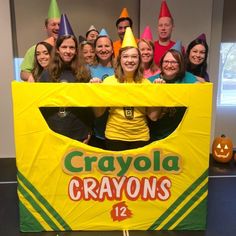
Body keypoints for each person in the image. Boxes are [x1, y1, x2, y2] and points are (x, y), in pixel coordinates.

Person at [92, 27, 159, 151]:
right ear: (120, 60)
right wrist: (96, 91)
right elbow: (99, 113)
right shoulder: (109, 81)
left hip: (140, 137)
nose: (130, 60)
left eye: (134, 57)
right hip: (114, 136)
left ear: (139, 60)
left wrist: (159, 93)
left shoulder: (146, 83)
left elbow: (153, 117)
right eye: (125, 56)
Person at [39, 14, 93, 143]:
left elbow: (90, 105)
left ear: (76, 51)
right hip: (54, 132)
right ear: (57, 49)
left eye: (71, 47)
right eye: (64, 47)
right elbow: (41, 106)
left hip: (78, 132)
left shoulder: (83, 73)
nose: (68, 51)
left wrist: (88, 130)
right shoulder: (47, 74)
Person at [148, 42, 201, 141]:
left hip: (181, 136)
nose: (169, 65)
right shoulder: (151, 81)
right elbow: (153, 117)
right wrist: (159, 92)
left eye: (174, 62)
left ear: (180, 65)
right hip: (157, 137)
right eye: (166, 61)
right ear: (161, 63)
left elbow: (200, 94)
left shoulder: (188, 78)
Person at [20, 0, 61, 81]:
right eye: (53, 24)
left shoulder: (67, 49)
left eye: (60, 24)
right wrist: (30, 77)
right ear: (46, 27)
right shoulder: (35, 49)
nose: (57, 28)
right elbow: (23, 72)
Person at [88, 29, 115, 149]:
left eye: (107, 46)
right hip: (95, 128)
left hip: (117, 128)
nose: (103, 49)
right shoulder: (88, 69)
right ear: (95, 50)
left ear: (113, 48)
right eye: (99, 46)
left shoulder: (121, 69)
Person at [153, 0, 176, 66]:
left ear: (172, 27)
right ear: (157, 27)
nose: (163, 28)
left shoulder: (178, 47)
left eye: (166, 25)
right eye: (160, 25)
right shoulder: (151, 48)